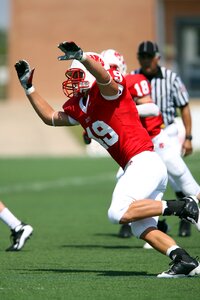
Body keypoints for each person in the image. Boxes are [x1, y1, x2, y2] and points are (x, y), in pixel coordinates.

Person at [14, 41, 200, 277]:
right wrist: (29, 88)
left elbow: (103, 77)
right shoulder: (81, 105)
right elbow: (50, 117)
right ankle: (184, 260)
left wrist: (83, 58)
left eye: (78, 74)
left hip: (144, 161)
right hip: (141, 166)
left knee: (117, 212)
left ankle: (184, 206)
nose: (73, 80)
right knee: (141, 227)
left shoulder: (108, 92)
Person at [100, 49, 200, 241]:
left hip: (155, 141)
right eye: (107, 67)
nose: (110, 71)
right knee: (124, 180)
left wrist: (127, 111)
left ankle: (173, 215)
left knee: (188, 185)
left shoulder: (133, 80)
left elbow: (152, 108)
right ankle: (153, 224)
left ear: (121, 67)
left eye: (113, 67)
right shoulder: (103, 90)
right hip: (136, 148)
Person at [131, 40, 199, 237]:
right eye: (142, 57)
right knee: (137, 177)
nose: (145, 61)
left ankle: (186, 217)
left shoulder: (170, 78)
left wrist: (188, 136)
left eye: (149, 57)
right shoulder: (133, 77)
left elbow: (184, 105)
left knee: (176, 175)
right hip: (140, 136)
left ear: (157, 58)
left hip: (165, 132)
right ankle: (152, 222)